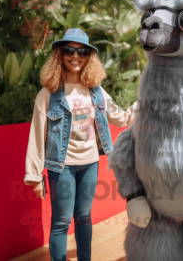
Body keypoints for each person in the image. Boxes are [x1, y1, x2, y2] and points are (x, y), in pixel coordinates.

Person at [23, 28, 137, 261]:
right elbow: (36, 134)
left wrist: (144, 100)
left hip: (90, 165)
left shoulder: (96, 91)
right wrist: (34, 175)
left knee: (84, 217)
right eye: (69, 50)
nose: (75, 56)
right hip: (61, 166)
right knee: (61, 222)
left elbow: (121, 117)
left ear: (88, 57)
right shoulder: (48, 94)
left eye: (82, 51)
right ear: (59, 55)